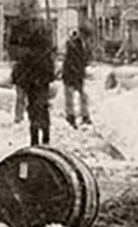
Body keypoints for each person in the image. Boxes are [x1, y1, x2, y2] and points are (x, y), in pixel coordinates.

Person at [12, 16, 55, 146]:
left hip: (32, 81)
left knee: (34, 110)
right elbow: (49, 66)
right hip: (40, 81)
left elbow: (20, 67)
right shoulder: (44, 50)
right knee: (42, 108)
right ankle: (45, 136)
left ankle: (35, 138)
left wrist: (20, 79)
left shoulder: (27, 51)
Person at [61, 29, 92, 128]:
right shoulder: (81, 47)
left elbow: (68, 61)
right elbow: (84, 60)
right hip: (76, 74)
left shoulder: (71, 46)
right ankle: (83, 115)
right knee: (80, 95)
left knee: (71, 96)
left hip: (71, 75)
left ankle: (72, 115)